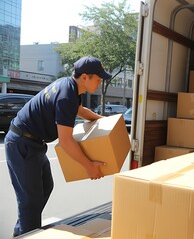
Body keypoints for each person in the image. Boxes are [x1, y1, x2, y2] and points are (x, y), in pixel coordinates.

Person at [5, 56, 113, 237]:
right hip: (22, 144)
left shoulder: (69, 87)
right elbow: (65, 141)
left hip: (33, 143)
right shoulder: (66, 95)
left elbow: (82, 111)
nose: (100, 82)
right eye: (98, 78)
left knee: (46, 186)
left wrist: (107, 121)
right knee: (30, 201)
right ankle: (27, 233)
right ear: (85, 77)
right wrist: (89, 167)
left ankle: (21, 231)